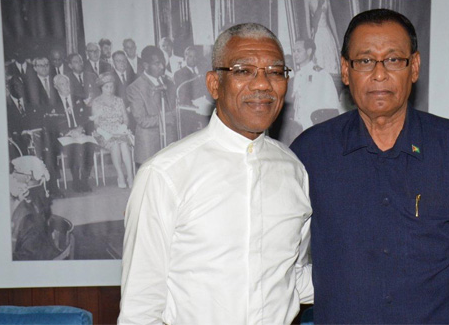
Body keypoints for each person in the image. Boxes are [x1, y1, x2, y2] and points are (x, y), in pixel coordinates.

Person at [290, 9, 449, 323]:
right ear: (346, 70)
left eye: (393, 59)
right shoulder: (311, 152)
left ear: (414, 67)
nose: (379, 74)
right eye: (365, 61)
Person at [119, 23, 313, 324]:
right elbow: (140, 310)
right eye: (244, 70)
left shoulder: (293, 170)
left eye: (275, 71)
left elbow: (294, 278)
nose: (262, 84)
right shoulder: (165, 175)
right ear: (214, 84)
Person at [126, 45, 177, 166]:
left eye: (163, 62)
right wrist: (167, 118)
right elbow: (142, 120)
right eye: (157, 63)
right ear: (145, 66)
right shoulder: (135, 88)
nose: (162, 66)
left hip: (169, 141)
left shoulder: (167, 81)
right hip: (149, 145)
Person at [48, 74, 95, 192]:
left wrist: (81, 128)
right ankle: (75, 181)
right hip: (64, 136)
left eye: (67, 83)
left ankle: (84, 179)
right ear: (56, 87)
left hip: (80, 133)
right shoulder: (52, 103)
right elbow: (52, 123)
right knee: (73, 148)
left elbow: (87, 118)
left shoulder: (78, 99)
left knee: (89, 146)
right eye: (62, 84)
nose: (66, 86)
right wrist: (67, 132)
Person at [91, 72, 134, 189]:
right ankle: (120, 175)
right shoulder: (96, 102)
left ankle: (130, 176)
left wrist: (123, 127)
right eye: (106, 87)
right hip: (104, 133)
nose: (110, 90)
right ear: (101, 88)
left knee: (124, 144)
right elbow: (96, 124)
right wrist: (106, 133)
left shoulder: (119, 100)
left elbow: (126, 119)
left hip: (119, 130)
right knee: (115, 144)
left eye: (111, 87)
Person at [291, 38, 341, 131]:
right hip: (300, 127)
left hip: (316, 127)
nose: (295, 54)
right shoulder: (298, 75)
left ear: (309, 51)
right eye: (294, 51)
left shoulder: (320, 74)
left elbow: (332, 106)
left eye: (298, 51)